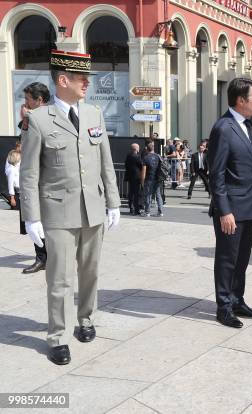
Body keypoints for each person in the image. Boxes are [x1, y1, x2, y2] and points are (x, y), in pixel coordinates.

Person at [20, 50, 121, 365]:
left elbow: (105, 162)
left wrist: (114, 203)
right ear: (63, 80)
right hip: (58, 214)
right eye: (81, 78)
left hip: (93, 209)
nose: (87, 83)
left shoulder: (94, 114)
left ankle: (86, 318)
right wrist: (31, 217)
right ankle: (58, 337)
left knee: (90, 272)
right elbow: (30, 174)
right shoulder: (38, 119)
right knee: (60, 278)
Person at [208, 77, 252, 328]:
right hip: (231, 209)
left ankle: (237, 299)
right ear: (241, 100)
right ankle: (224, 306)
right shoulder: (224, 128)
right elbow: (216, 174)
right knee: (227, 259)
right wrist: (224, 211)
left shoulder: (247, 125)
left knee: (242, 259)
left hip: (249, 205)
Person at [17, 83, 51, 273]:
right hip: (32, 179)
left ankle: (50, 257)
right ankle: (42, 257)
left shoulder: (53, 117)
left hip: (47, 179)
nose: (25, 103)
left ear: (39, 100)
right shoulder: (30, 119)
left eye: (28, 99)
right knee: (34, 221)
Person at [141, 142, 164, 217]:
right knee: (158, 195)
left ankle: (147, 212)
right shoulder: (158, 156)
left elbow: (144, 171)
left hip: (149, 179)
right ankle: (160, 212)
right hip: (158, 178)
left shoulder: (146, 158)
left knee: (148, 195)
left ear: (147, 149)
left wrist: (142, 181)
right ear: (153, 148)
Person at [124, 143, 143, 215]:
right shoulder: (137, 157)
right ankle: (136, 210)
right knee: (136, 194)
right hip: (136, 177)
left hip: (130, 177)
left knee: (131, 193)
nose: (139, 149)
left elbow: (126, 165)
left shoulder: (128, 156)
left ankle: (131, 208)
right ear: (136, 149)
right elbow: (141, 166)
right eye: (138, 148)